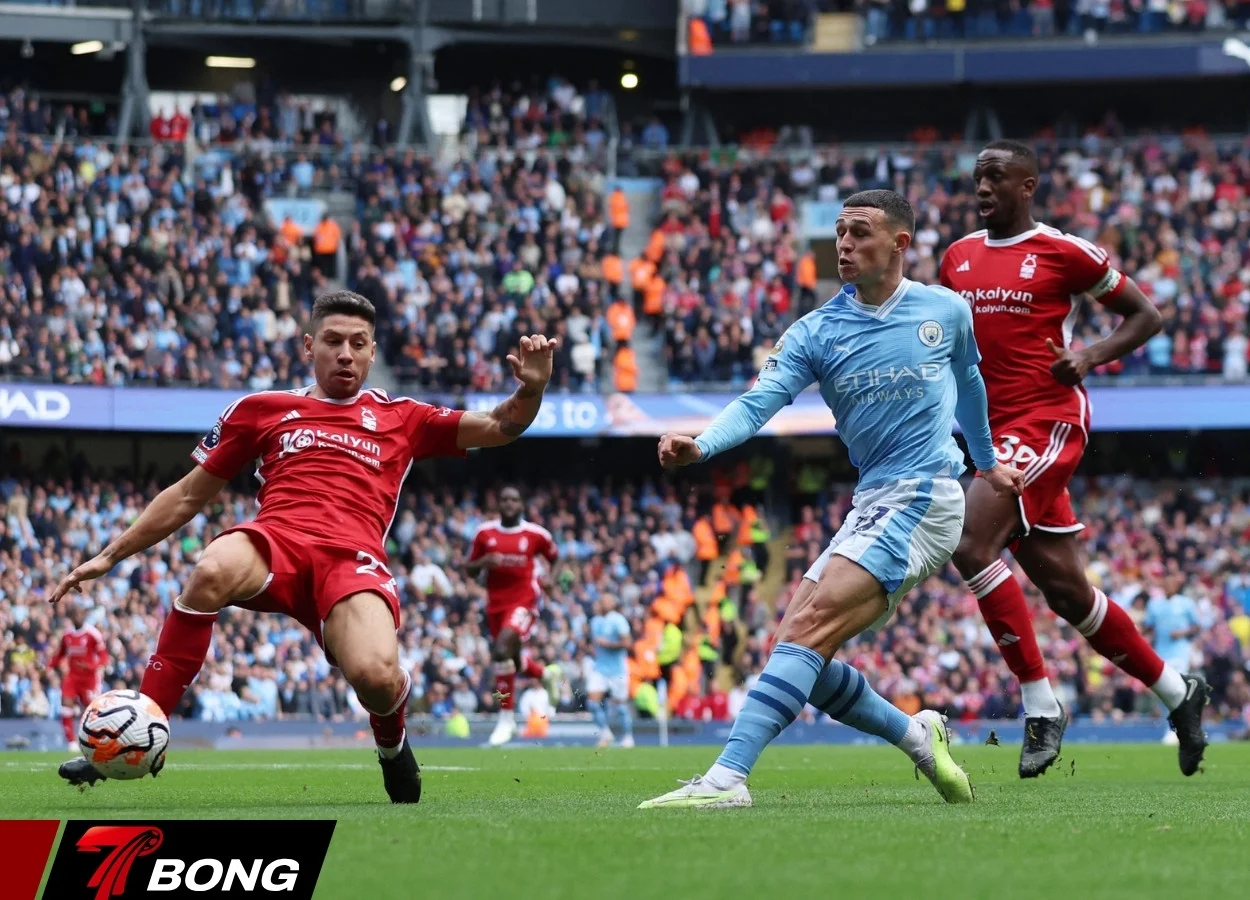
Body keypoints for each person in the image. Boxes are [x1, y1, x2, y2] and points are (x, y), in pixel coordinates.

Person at [49, 291, 560, 803]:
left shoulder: (404, 416)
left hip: (352, 561)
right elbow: (187, 495)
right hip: (277, 543)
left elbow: (500, 425)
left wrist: (532, 390)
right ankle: (140, 727)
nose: (346, 354)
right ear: (309, 346)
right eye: (334, 341)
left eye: (358, 343)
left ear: (373, 352)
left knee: (376, 678)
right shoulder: (261, 409)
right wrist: (110, 555)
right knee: (212, 568)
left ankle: (391, 744)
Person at [639, 190, 1024, 809]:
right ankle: (918, 737)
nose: (844, 244)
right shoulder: (815, 331)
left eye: (859, 233)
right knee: (798, 654)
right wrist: (703, 444)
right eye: (840, 233)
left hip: (926, 496)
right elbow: (758, 403)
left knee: (806, 632)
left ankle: (726, 780)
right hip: (873, 501)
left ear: (899, 243)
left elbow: (971, 383)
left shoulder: (945, 311)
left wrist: (987, 463)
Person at [939, 140, 1209, 778]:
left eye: (996, 177)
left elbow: (1146, 316)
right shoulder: (957, 257)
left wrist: (1088, 356)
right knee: (1067, 593)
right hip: (989, 434)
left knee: (970, 542)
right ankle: (1179, 692)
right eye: (978, 178)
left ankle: (1040, 705)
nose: (983, 188)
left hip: (1048, 421)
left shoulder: (1064, 252)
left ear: (1027, 185)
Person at [466, 486, 561, 746]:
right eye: (504, 499)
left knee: (501, 651)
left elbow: (555, 558)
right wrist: (484, 562)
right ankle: (545, 675)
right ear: (498, 504)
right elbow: (469, 569)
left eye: (514, 500)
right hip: (495, 605)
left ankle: (505, 720)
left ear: (521, 505)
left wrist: (551, 579)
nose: (509, 504)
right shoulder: (485, 533)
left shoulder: (536, 534)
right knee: (511, 659)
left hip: (524, 601)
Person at [48, 604, 108, 752]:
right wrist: (49, 666)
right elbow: (60, 654)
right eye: (75, 615)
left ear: (84, 616)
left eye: (80, 614)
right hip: (72, 677)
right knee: (66, 704)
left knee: (91, 710)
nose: (78, 617)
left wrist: (92, 666)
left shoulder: (93, 634)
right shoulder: (67, 635)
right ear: (71, 617)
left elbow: (103, 656)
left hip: (90, 679)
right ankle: (71, 741)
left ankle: (96, 739)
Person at [586, 594, 634, 748]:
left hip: (617, 670)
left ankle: (628, 737)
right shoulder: (595, 621)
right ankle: (605, 733)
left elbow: (627, 643)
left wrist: (609, 644)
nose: (602, 603)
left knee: (620, 706)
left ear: (613, 604)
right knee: (592, 702)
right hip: (600, 668)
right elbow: (593, 643)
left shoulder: (618, 620)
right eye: (601, 601)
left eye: (606, 601)